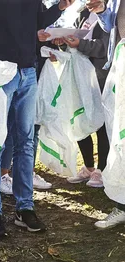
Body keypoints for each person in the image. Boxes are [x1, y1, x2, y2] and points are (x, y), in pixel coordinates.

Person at [0, 0, 76, 237]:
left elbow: (36, 22)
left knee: (25, 143)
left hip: (28, 72)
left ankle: (24, 208)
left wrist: (61, 7)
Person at [0, 2, 66, 196]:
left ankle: (26, 175)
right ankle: (3, 175)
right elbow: (16, 33)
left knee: (30, 130)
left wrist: (50, 45)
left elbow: (38, 26)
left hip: (33, 69)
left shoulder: (40, 4)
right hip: (10, 69)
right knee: (9, 128)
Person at [58, 8, 110, 188]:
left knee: (102, 123)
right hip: (80, 76)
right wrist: (63, 42)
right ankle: (88, 167)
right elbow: (73, 36)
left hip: (101, 76)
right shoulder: (83, 13)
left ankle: (102, 170)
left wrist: (79, 44)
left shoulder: (111, 13)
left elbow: (105, 47)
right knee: (80, 119)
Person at [86, 0, 125, 228]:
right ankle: (122, 205)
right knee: (120, 137)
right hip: (120, 68)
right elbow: (110, 26)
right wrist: (101, 11)